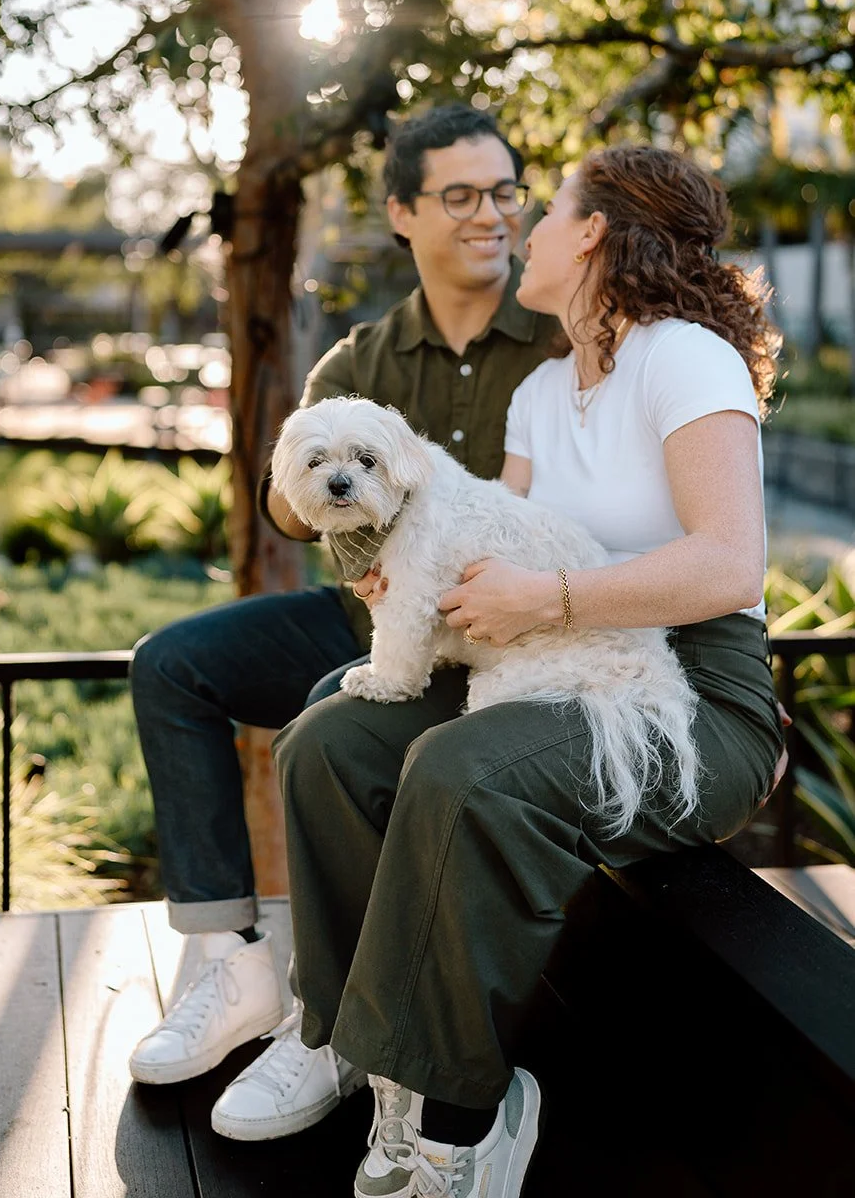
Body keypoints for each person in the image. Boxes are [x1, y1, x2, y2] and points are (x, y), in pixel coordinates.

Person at [272, 143, 786, 1198]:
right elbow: (475, 539)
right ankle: (337, 1036)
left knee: (463, 772)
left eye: (541, 209)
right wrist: (408, 574)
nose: (521, 228)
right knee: (325, 734)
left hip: (686, 697)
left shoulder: (682, 356)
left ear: (591, 231)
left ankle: (463, 1112)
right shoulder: (545, 390)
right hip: (541, 663)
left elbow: (728, 562)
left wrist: (542, 600)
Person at [128, 102, 560, 1135]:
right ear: (402, 212)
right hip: (362, 610)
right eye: (460, 196)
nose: (490, 215)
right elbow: (287, 496)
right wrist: (322, 492)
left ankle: (329, 1021)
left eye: (504, 192)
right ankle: (230, 966)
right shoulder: (358, 361)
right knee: (168, 664)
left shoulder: (556, 340)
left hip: (498, 628)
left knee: (331, 720)